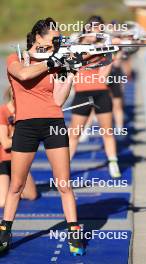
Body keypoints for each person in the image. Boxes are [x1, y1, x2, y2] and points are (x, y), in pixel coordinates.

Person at [0, 17, 84, 256]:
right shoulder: (15, 58)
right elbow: (24, 75)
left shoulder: (57, 62)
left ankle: (74, 233)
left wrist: (69, 73)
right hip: (25, 126)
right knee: (16, 185)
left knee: (64, 183)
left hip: (53, 123)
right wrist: (52, 61)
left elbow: (58, 100)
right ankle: (5, 232)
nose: (58, 41)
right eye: (54, 37)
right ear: (38, 37)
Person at [69, 15, 121, 178]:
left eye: (100, 30)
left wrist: (112, 51)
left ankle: (113, 162)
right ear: (87, 28)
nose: (96, 33)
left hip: (100, 92)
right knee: (74, 133)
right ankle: (63, 169)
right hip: (81, 93)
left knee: (107, 131)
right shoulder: (75, 43)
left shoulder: (103, 46)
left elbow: (103, 76)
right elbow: (72, 62)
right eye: (94, 29)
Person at [0, 87, 38, 207]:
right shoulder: (3, 111)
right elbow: (5, 143)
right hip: (4, 160)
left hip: (19, 158)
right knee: (3, 202)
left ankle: (12, 185)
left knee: (32, 195)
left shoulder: (26, 113)